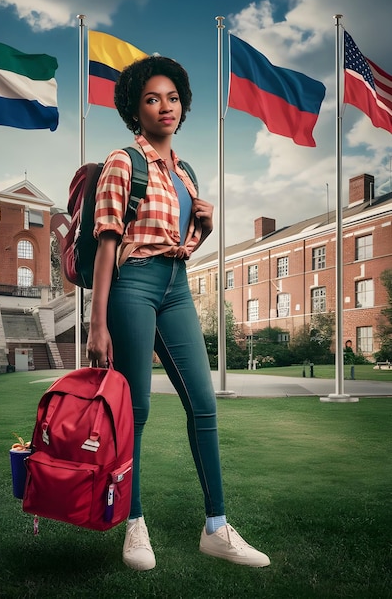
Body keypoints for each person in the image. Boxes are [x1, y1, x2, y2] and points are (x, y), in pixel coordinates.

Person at [86, 55, 270, 571]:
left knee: (204, 404)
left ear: (183, 105)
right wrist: (97, 324)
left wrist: (203, 231)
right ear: (134, 109)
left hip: (177, 286)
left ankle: (216, 529)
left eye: (172, 98)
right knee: (136, 411)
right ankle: (134, 525)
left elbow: (179, 245)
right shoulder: (124, 161)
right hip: (132, 287)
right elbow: (107, 243)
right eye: (152, 98)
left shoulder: (185, 172)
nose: (165, 106)